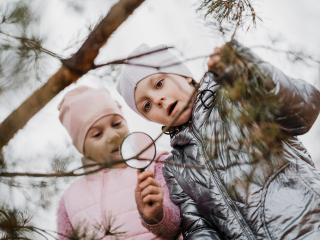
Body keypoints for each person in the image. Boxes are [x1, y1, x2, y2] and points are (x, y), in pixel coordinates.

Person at [116, 42, 320, 239]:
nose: (157, 100)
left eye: (159, 83)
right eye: (146, 105)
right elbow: (198, 228)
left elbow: (304, 111)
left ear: (185, 76)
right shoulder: (174, 169)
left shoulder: (235, 96)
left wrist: (249, 69)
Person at [56, 86, 182, 240]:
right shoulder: (70, 200)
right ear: (83, 148)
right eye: (97, 134)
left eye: (116, 124)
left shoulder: (156, 165)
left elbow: (178, 227)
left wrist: (157, 215)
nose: (113, 136)